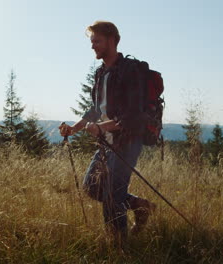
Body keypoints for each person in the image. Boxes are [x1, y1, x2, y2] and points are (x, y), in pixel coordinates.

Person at [59, 21, 155, 244]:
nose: (93, 46)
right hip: (107, 141)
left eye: (97, 41)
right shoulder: (101, 72)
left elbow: (133, 116)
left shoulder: (130, 70)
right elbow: (95, 109)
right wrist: (75, 128)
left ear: (112, 40)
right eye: (91, 41)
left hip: (128, 140)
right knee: (92, 188)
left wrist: (101, 127)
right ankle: (141, 206)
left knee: (112, 194)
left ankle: (118, 247)